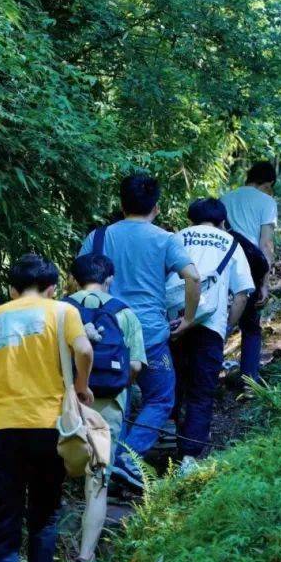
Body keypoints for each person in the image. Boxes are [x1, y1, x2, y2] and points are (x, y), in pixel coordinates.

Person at [0, 254, 94, 562]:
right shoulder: (63, 311)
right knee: (45, 515)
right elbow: (84, 350)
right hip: (50, 428)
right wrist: (81, 387)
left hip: (0, 432)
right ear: (52, 289)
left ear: (12, 290)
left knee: (3, 525)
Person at [78, 173, 201, 491]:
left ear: (121, 204)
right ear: (156, 207)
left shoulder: (99, 237)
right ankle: (127, 460)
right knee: (161, 396)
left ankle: (99, 465)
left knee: (110, 396)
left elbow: (79, 281)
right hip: (149, 335)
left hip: (107, 334)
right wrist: (188, 318)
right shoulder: (165, 239)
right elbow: (193, 277)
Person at [67, 254, 146, 562]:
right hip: (107, 405)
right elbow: (136, 367)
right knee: (97, 483)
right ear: (110, 279)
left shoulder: (60, 309)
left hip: (64, 402)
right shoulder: (124, 312)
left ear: (73, 279)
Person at [172, 198, 254, 472]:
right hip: (209, 327)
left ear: (191, 218)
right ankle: (189, 456)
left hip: (173, 323)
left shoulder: (177, 237)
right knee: (201, 391)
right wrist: (228, 327)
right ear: (222, 221)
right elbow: (242, 294)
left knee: (172, 385)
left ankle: (163, 441)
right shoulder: (231, 243)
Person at [220, 162, 277, 382]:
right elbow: (266, 244)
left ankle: (208, 373)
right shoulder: (267, 202)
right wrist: (265, 282)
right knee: (251, 326)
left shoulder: (226, 198)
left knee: (220, 319)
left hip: (225, 263)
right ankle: (249, 380)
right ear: (269, 183)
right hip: (251, 265)